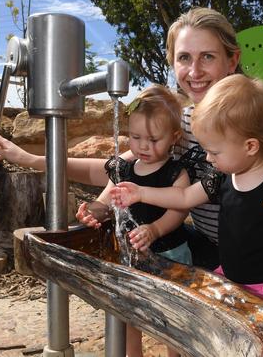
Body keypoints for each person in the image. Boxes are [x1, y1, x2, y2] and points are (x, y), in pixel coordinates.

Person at [0, 7, 263, 319]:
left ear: (232, 61)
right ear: (172, 63)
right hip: (215, 251)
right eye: (184, 57)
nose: (194, 70)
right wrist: (32, 159)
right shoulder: (181, 124)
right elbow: (114, 169)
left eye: (208, 57)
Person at [110, 75, 263, 311]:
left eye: (214, 152)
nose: (208, 158)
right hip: (230, 282)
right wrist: (140, 193)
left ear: (250, 146)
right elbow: (184, 197)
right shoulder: (222, 177)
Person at [77, 85, 189, 357]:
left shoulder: (175, 172)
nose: (143, 146)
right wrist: (93, 212)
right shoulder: (125, 169)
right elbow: (110, 203)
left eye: (153, 139)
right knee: (128, 313)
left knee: (170, 316)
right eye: (136, 137)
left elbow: (179, 210)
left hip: (169, 252)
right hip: (129, 255)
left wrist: (155, 229)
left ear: (174, 137)